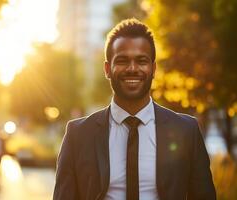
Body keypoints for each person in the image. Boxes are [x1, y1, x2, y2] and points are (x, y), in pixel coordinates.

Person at [53, 18, 216, 200]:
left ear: (153, 69)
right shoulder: (78, 135)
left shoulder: (186, 131)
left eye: (141, 61)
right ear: (107, 69)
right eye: (122, 61)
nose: (132, 69)